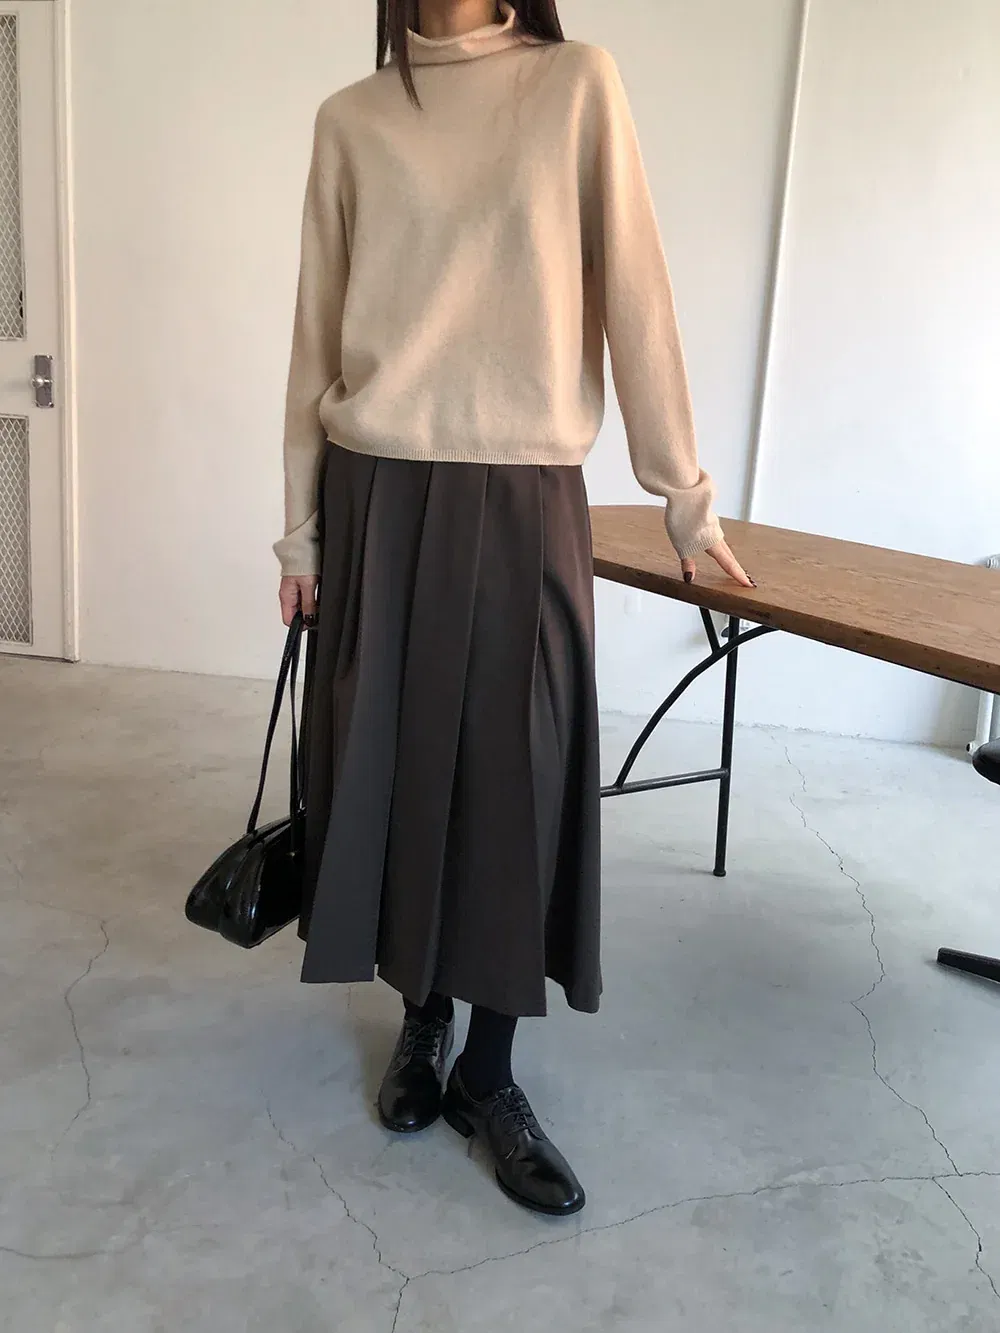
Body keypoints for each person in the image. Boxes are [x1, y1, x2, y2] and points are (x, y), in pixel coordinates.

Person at [274, 0, 751, 1219]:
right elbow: (315, 337)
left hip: (523, 489)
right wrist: (302, 528)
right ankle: (422, 1017)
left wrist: (684, 496)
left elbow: (635, 290)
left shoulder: (576, 84)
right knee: (394, 772)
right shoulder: (352, 118)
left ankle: (489, 1071)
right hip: (376, 489)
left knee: (514, 777)